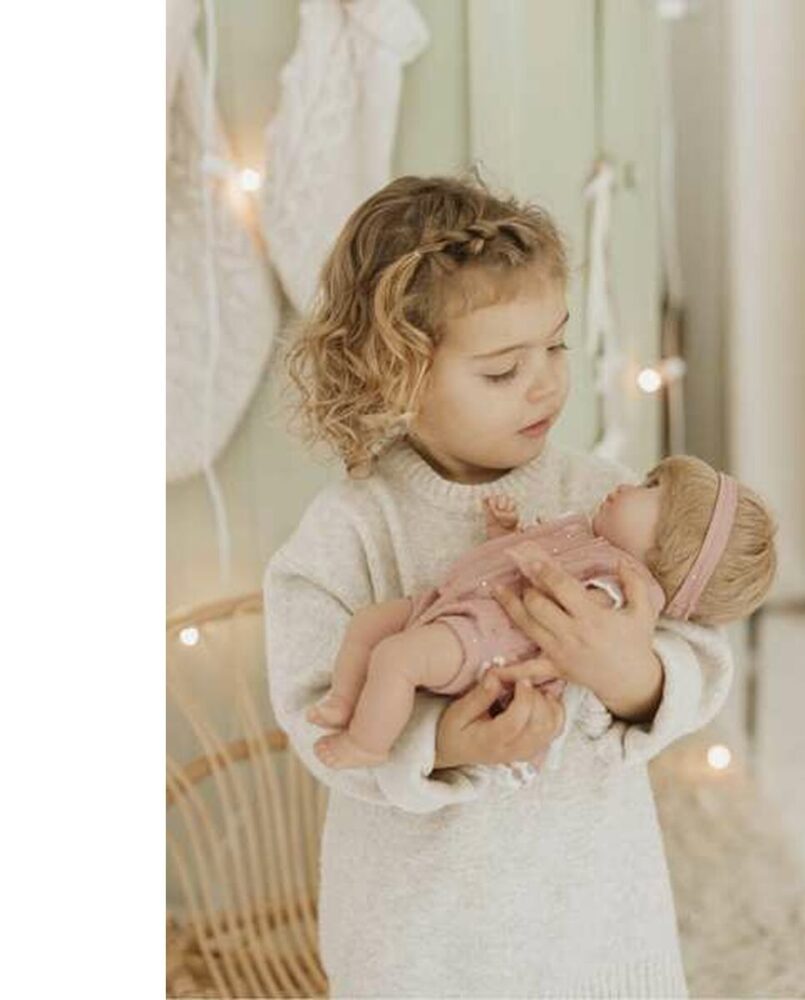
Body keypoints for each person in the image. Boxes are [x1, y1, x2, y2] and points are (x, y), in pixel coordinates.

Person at [263, 173, 737, 997]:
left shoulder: (607, 498)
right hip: (423, 947)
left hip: (594, 928)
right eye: (502, 370)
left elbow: (703, 645)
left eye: (555, 347)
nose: (546, 383)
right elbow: (317, 716)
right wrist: (443, 745)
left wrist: (635, 675)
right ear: (398, 377)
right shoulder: (349, 530)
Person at [307, 455, 776, 774]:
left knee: (396, 658)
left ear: (674, 548)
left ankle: (367, 743)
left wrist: (631, 677)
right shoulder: (588, 535)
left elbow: (586, 622)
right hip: (452, 605)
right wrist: (506, 534)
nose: (627, 485)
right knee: (368, 625)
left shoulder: (625, 587)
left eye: (651, 489)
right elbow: (515, 566)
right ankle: (344, 699)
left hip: (482, 640)